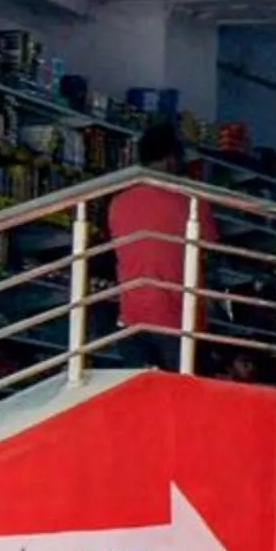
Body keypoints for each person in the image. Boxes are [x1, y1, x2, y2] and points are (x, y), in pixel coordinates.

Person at [106, 123, 193, 371]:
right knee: (182, 396)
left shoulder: (119, 202)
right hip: (178, 319)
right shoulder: (190, 202)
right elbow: (207, 248)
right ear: (170, 160)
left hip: (132, 316)